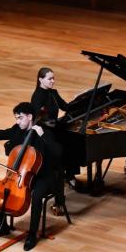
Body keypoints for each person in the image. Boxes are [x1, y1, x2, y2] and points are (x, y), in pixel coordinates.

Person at [0, 102, 62, 251]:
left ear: (30, 117)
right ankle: (2, 226)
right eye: (16, 118)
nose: (17, 121)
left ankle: (32, 234)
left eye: (20, 118)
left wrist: (44, 137)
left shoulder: (44, 132)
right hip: (21, 175)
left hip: (44, 175)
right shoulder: (17, 130)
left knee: (36, 196)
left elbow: (58, 152)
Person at [30, 67, 72, 215]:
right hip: (45, 136)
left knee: (64, 160)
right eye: (50, 79)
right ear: (40, 79)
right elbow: (37, 120)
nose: (53, 81)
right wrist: (52, 125)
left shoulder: (53, 93)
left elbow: (66, 107)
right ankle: (59, 201)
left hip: (54, 131)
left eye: (54, 78)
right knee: (57, 169)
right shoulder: (37, 97)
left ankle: (69, 177)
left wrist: (84, 100)